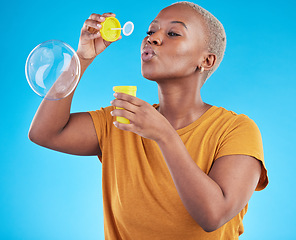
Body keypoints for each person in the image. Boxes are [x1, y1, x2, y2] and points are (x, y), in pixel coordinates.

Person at [28, 1, 268, 239]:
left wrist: (164, 135)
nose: (152, 38)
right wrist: (82, 57)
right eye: (151, 31)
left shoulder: (236, 130)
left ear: (207, 61)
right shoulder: (123, 120)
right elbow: (45, 133)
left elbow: (213, 216)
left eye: (173, 33)